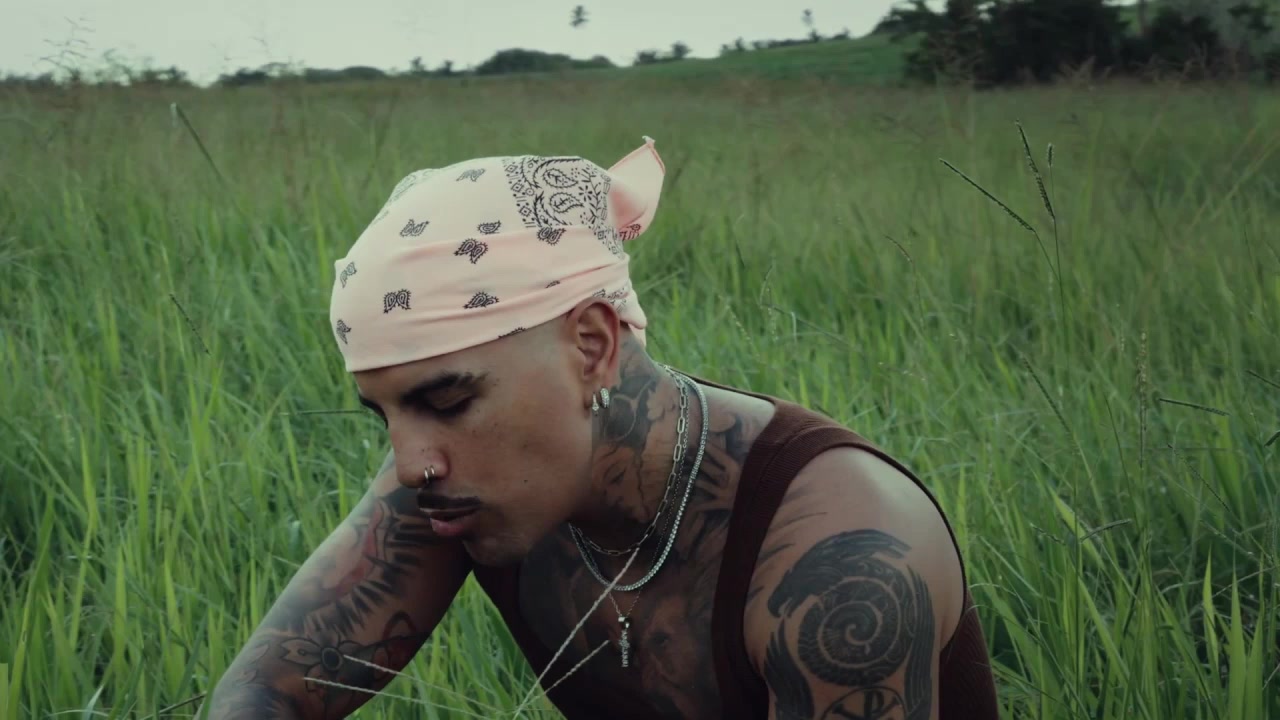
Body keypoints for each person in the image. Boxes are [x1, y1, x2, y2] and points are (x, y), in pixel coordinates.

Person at [200, 137, 1000, 719]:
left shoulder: (841, 557)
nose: (411, 464)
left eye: (446, 401)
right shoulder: (465, 482)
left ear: (591, 345)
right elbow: (269, 690)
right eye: (387, 414)